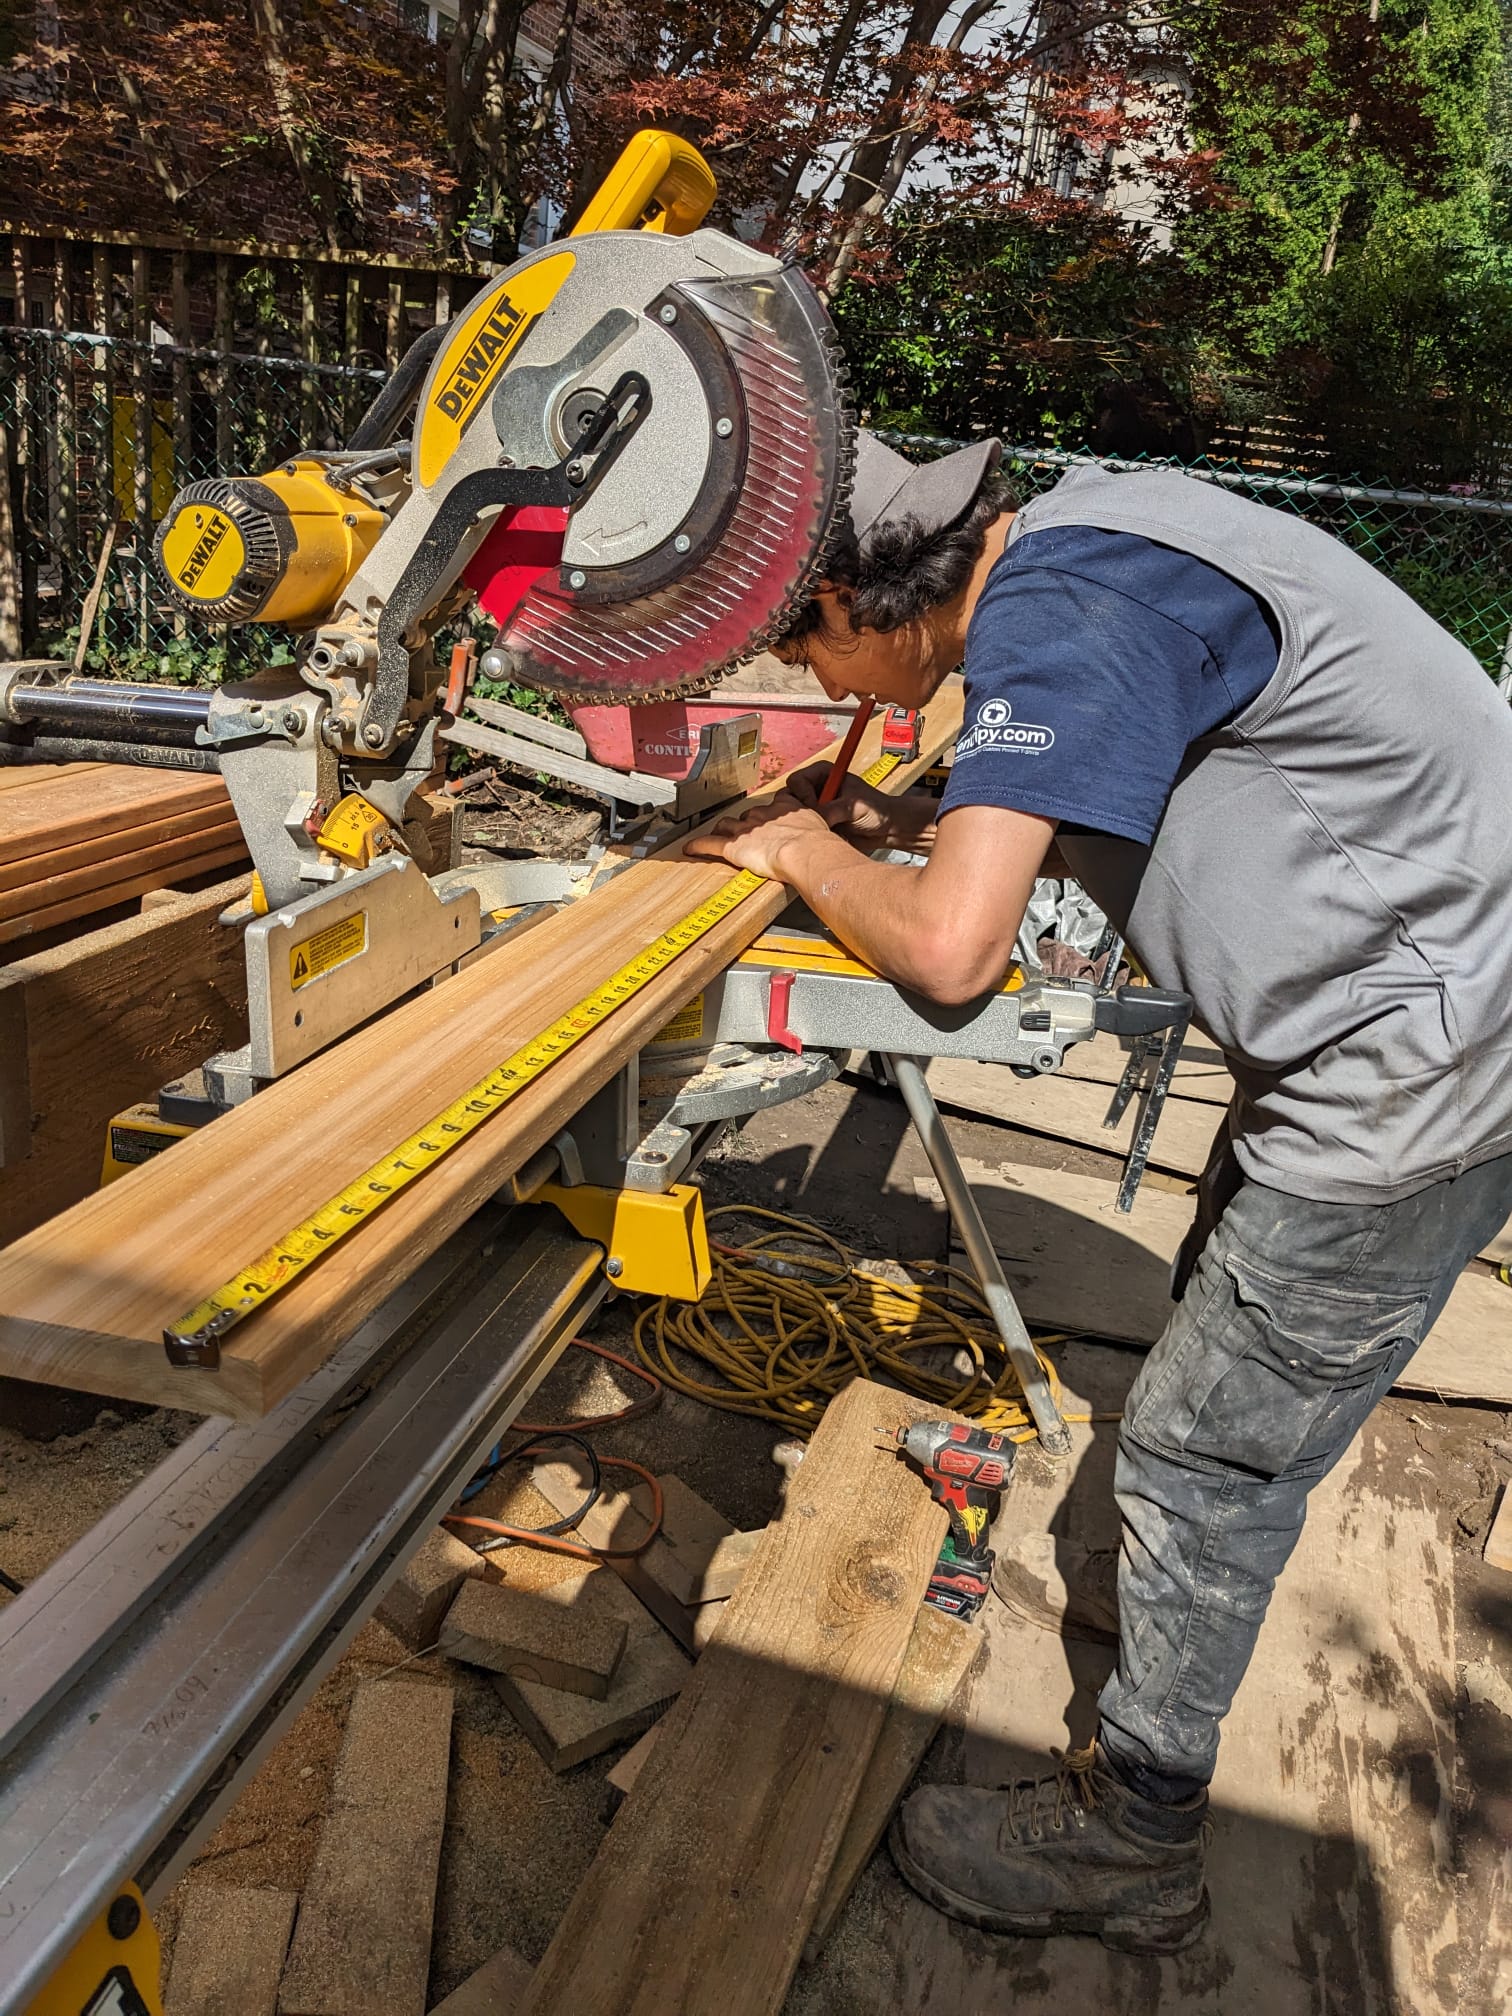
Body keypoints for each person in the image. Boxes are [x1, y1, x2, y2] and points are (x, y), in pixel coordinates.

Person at [684, 431, 1512, 1954]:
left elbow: (951, 956)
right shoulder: (1082, 546)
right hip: (1405, 1015)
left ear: (878, 594)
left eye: (810, 641)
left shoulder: (1057, 619)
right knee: (1225, 1342)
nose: (819, 687)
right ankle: (1174, 1603)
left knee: (1210, 1454)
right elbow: (1106, 772)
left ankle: (1140, 1831)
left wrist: (803, 844)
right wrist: (911, 827)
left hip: (1408, 1079)